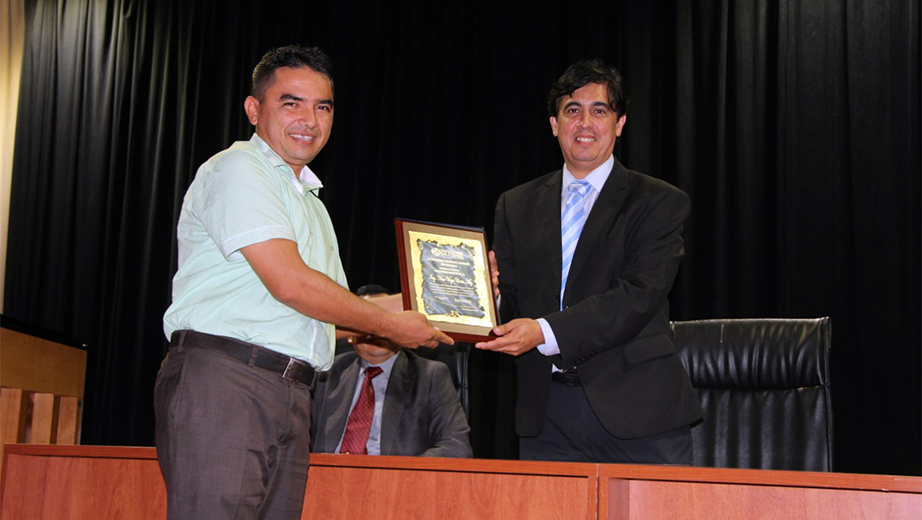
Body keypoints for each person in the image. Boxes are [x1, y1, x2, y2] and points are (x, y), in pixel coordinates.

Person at [155, 46, 451, 520]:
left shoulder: (312, 204)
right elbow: (291, 284)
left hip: (293, 392)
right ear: (254, 109)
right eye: (291, 102)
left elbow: (337, 311)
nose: (309, 120)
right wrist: (393, 327)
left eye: (323, 106)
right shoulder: (238, 169)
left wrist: (448, 295)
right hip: (228, 381)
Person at [476, 59, 702, 464]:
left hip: (638, 413)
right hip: (546, 417)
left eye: (600, 111)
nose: (585, 123)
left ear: (619, 124)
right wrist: (487, 296)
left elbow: (637, 296)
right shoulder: (516, 204)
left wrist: (542, 332)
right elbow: (511, 301)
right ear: (553, 124)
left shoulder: (658, 201)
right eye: (572, 110)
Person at [311, 285, 473, 458]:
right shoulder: (327, 371)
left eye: (384, 319)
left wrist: (400, 476)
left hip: (396, 480)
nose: (376, 330)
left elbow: (456, 446)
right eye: (367, 320)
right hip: (327, 477)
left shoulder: (430, 374)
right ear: (349, 334)